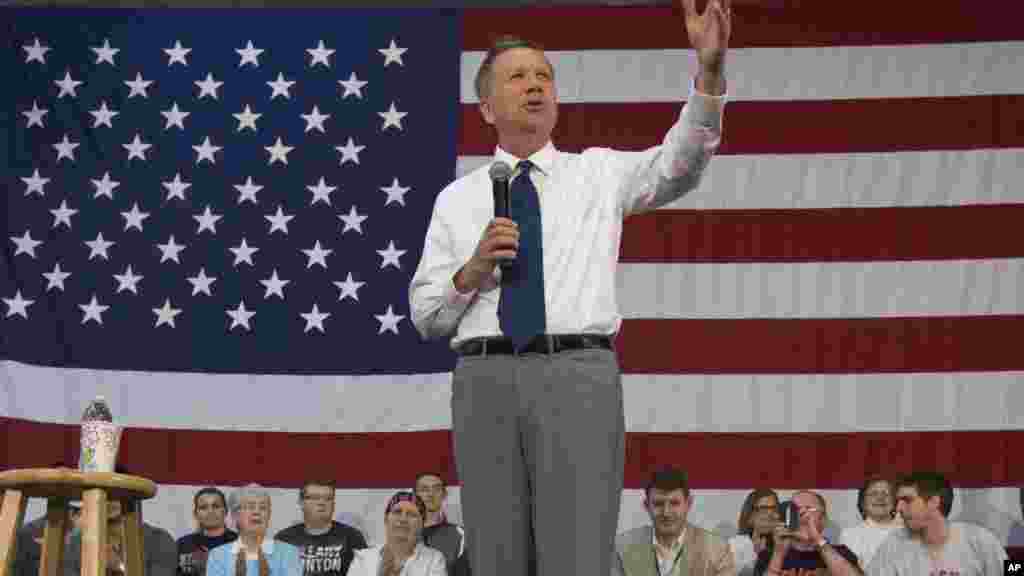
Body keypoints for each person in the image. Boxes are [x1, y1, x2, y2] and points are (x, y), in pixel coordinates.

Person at [407, 0, 731, 573]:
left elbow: (681, 164)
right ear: (487, 107)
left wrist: (709, 72)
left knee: (578, 554)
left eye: (544, 76)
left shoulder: (598, 173)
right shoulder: (456, 200)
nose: (535, 85)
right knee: (497, 556)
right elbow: (427, 315)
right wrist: (472, 271)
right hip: (486, 380)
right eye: (518, 77)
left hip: (577, 375)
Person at [866, 471, 1007, 576]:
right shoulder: (893, 545)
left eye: (907, 500)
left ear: (933, 502)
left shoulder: (980, 540)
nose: (898, 508)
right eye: (898, 501)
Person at [614, 468, 735, 576]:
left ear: (688, 504)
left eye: (674, 503)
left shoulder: (717, 550)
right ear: (646, 505)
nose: (666, 512)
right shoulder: (622, 548)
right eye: (658, 504)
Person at [753, 491, 861, 576]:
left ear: (823, 520)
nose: (801, 513)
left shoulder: (842, 553)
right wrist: (779, 554)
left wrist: (818, 540)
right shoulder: (768, 555)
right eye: (795, 509)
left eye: (809, 508)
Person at [274, 480, 367, 576]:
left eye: (328, 498)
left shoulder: (352, 537)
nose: (321, 502)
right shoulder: (284, 539)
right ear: (301, 502)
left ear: (334, 504)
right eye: (315, 497)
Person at [205, 484, 302, 576]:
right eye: (250, 507)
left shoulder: (289, 553)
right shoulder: (218, 556)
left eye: (263, 508)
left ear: (269, 515)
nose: (257, 512)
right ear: (235, 515)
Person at [345, 492, 446, 576]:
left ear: (422, 524)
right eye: (397, 512)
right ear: (386, 519)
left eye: (411, 514)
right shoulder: (363, 558)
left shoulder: (434, 560)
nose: (403, 519)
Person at [839, 476, 902, 570]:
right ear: (863, 502)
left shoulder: (908, 531)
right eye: (873, 494)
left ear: (894, 501)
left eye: (885, 493)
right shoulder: (850, 534)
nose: (880, 498)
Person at [413, 472, 470, 576]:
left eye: (436, 489)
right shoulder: (401, 532)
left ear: (444, 494)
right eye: (424, 489)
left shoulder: (459, 535)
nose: (430, 494)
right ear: (415, 494)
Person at [178, 487, 238, 576]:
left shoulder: (241, 543)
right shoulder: (183, 545)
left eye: (216, 506)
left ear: (225, 511)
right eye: (203, 507)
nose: (210, 511)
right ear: (195, 514)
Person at [729, 489, 781, 576]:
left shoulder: (784, 545)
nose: (770, 514)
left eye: (773, 508)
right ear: (750, 515)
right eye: (763, 509)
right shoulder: (735, 545)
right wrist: (755, 555)